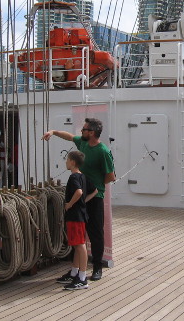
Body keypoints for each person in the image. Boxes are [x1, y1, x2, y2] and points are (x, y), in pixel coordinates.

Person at [42, 118, 115, 281]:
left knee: (95, 233)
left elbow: (111, 176)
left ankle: (97, 267)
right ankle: (74, 270)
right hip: (80, 198)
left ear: (92, 133)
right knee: (79, 233)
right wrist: (53, 132)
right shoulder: (82, 144)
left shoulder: (103, 151)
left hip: (95, 197)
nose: (81, 132)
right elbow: (69, 136)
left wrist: (93, 186)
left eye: (84, 130)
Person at [55, 151, 97, 290]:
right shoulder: (83, 176)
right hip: (81, 215)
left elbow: (78, 192)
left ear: (73, 162)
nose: (66, 162)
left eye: (67, 160)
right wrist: (83, 202)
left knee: (80, 245)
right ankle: (74, 272)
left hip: (75, 216)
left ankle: (82, 278)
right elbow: (95, 190)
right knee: (78, 245)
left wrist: (70, 204)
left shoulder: (73, 178)